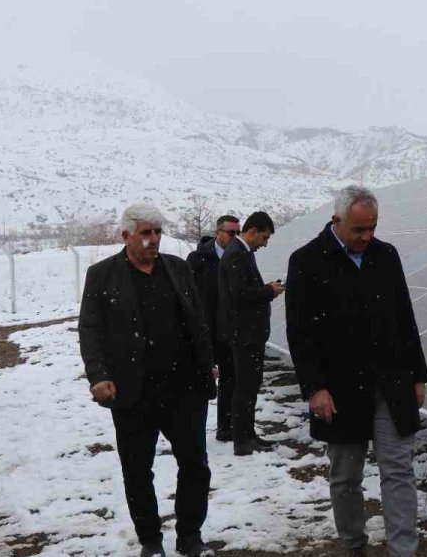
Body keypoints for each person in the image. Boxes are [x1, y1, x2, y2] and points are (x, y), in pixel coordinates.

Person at [286, 184, 427, 557]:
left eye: (372, 228)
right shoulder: (307, 260)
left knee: (398, 470)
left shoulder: (386, 255)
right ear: (336, 221)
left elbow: (404, 316)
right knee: (346, 476)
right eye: (359, 230)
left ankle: (404, 550)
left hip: (391, 380)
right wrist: (314, 388)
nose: (367, 236)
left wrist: (418, 374)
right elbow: (299, 332)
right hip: (340, 387)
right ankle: (354, 546)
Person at [77, 203, 216, 557]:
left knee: (196, 466)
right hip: (132, 392)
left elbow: (197, 318)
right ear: (125, 236)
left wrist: (207, 361)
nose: (153, 240)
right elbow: (90, 331)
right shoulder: (102, 275)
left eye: (157, 232)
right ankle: (151, 541)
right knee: (138, 472)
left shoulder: (178, 269)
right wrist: (99, 375)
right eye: (145, 233)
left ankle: (189, 536)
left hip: (183, 389)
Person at [217, 211, 283, 456]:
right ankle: (242, 440)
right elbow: (240, 295)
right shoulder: (236, 254)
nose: (264, 244)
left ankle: (247, 434)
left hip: (248, 334)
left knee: (248, 386)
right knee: (244, 387)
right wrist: (269, 291)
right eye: (264, 238)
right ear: (252, 231)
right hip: (244, 334)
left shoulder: (242, 253)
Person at [186, 214, 241, 442]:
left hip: (227, 330)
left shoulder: (240, 257)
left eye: (238, 233)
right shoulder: (197, 259)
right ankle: (192, 430)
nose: (235, 237)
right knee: (201, 380)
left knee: (230, 379)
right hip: (204, 329)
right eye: (231, 233)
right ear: (218, 233)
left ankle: (225, 427)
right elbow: (188, 294)